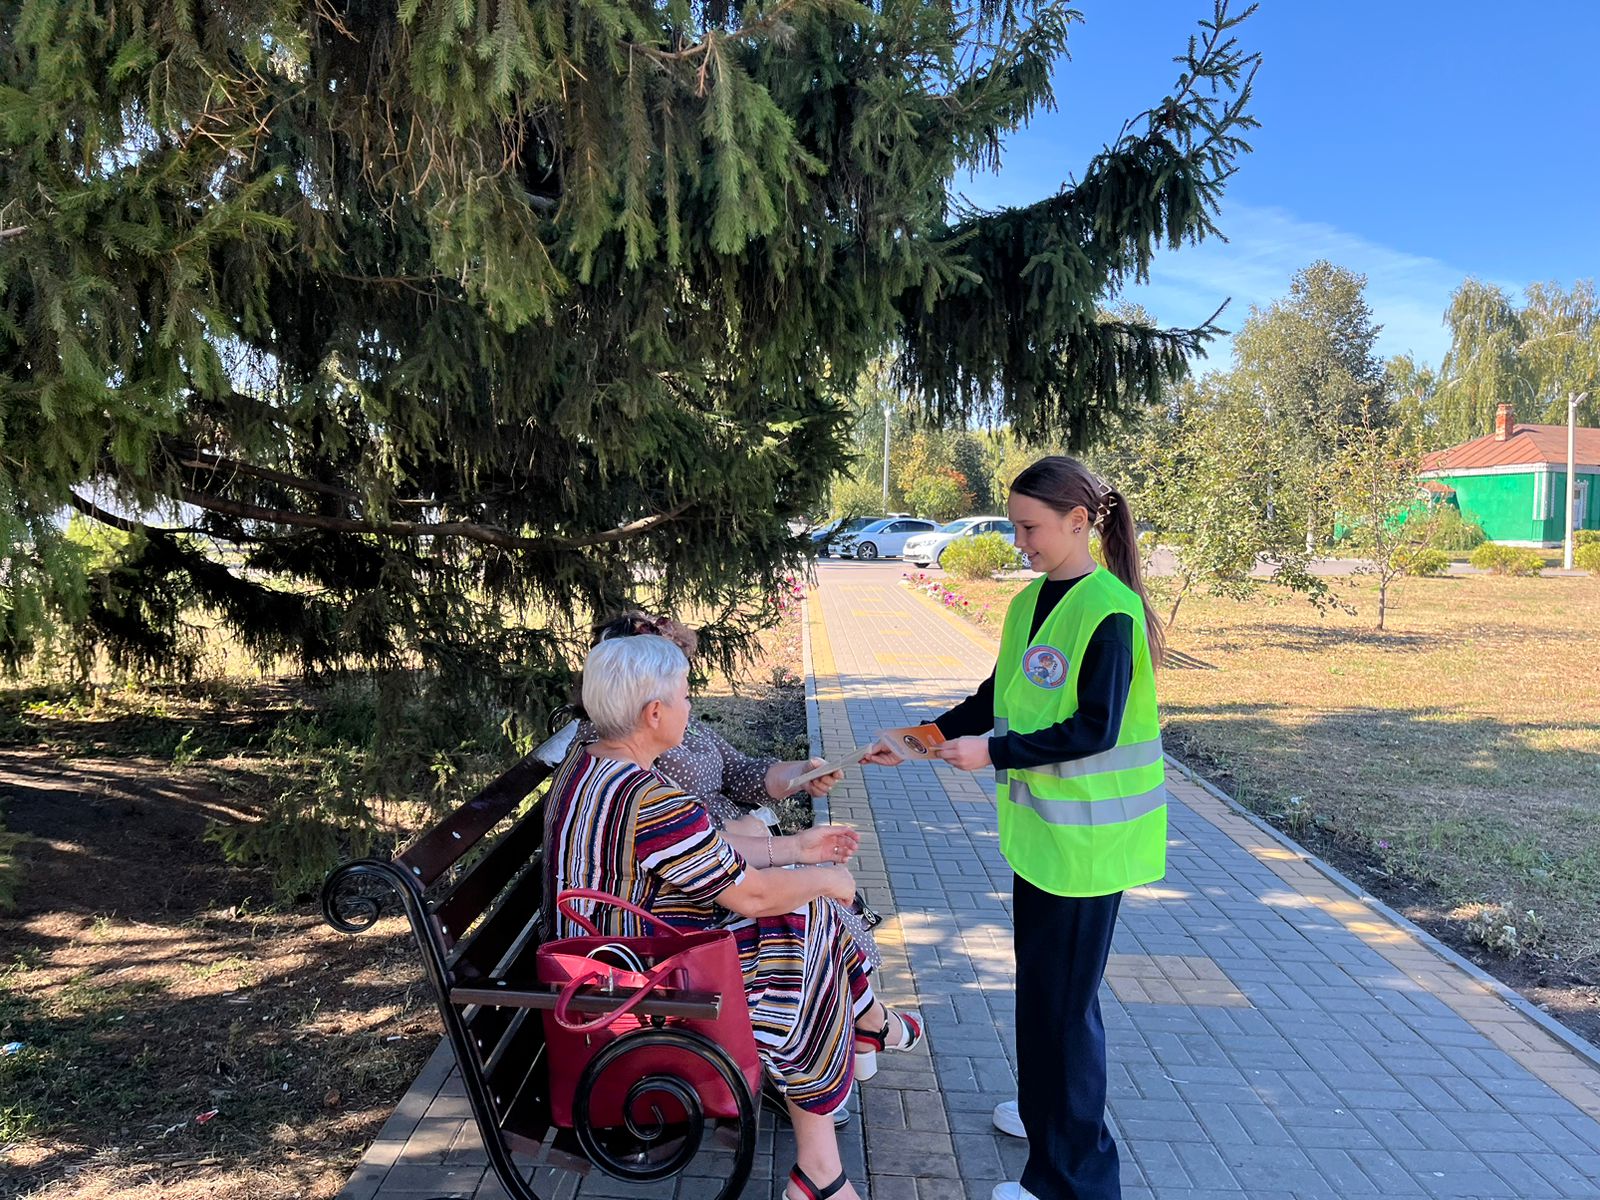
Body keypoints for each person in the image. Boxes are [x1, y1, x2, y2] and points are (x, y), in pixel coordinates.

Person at [871, 456, 1167, 1200]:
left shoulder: (1110, 611)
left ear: (1079, 522)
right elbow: (991, 696)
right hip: (1044, 841)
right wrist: (921, 739)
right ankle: (1046, 1118)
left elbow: (1094, 727)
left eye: (1030, 527)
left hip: (1090, 847)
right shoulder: (1030, 603)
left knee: (1065, 1013)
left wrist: (995, 754)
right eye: (1013, 526)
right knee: (1043, 996)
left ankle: (1072, 1178)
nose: (1018, 541)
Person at [546, 635, 923, 1200]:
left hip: (614, 963)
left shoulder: (590, 768)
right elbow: (748, 896)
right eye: (685, 696)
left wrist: (800, 857)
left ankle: (822, 1159)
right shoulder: (648, 798)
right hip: (625, 997)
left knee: (802, 919)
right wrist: (828, 877)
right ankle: (825, 1151)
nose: (690, 707)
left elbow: (716, 864)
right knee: (803, 931)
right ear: (654, 714)